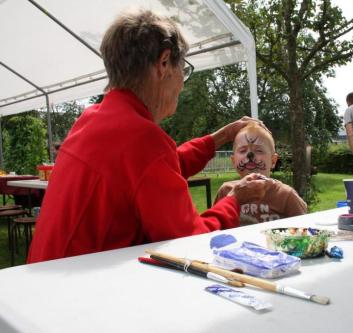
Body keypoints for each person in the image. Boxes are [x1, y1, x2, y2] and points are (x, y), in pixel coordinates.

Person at [27, 9, 272, 263]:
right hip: (77, 293)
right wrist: (235, 198)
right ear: (164, 63)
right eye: (183, 70)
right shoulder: (142, 138)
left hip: (43, 279)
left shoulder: (92, 119)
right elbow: (192, 240)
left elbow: (156, 169)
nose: (182, 82)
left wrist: (221, 137)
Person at [214, 123, 307, 225]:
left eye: (259, 150)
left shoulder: (286, 195)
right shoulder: (225, 191)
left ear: (273, 161)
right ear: (233, 160)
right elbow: (214, 228)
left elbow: (304, 229)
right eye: (242, 150)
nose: (250, 155)